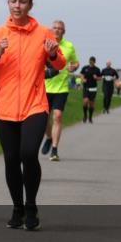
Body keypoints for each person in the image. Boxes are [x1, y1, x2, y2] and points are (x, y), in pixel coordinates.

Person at [0, 0, 64, 231]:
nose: (17, 6)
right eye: (13, 1)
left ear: (30, 5)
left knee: (28, 154)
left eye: (22, 2)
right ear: (8, 3)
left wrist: (53, 54)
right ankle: (17, 207)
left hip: (35, 105)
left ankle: (31, 205)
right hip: (5, 107)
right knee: (11, 160)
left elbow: (60, 62)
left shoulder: (44, 33)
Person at [40, 19, 79, 162]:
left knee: (57, 116)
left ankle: (54, 150)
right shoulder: (45, 44)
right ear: (51, 30)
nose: (56, 30)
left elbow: (75, 62)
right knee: (43, 119)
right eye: (54, 28)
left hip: (61, 88)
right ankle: (49, 137)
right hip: (44, 87)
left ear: (64, 31)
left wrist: (74, 67)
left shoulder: (69, 46)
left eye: (59, 28)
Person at [78, 56, 101, 123]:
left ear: (94, 62)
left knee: (91, 103)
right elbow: (80, 74)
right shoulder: (85, 68)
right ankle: (85, 116)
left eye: (92, 61)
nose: (91, 62)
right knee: (85, 101)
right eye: (90, 61)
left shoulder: (97, 69)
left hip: (93, 88)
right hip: (86, 87)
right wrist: (82, 79)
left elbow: (100, 78)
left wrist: (96, 78)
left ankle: (90, 117)